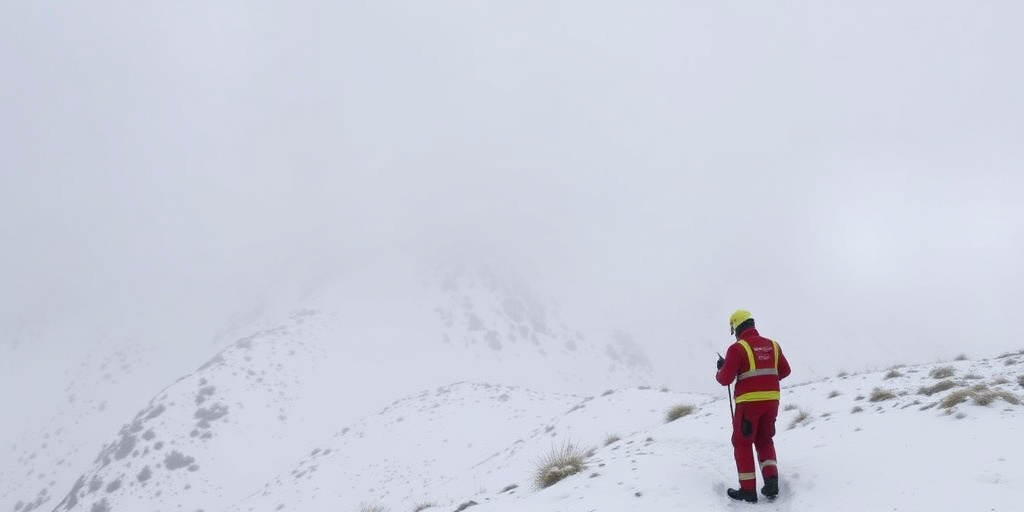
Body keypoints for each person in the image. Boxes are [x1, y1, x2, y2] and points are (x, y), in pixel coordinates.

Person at [716, 309, 791, 502]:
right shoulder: (773, 345)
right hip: (772, 401)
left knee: (742, 442)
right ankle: (771, 482)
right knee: (765, 440)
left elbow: (725, 379)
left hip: (748, 404)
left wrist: (721, 369)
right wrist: (767, 380)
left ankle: (748, 490)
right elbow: (785, 371)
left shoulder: (737, 349)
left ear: (736, 328)